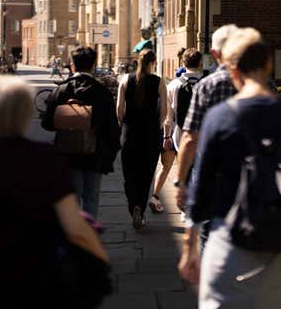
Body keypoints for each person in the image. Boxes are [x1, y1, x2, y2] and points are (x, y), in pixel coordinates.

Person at [179, 28, 281, 309]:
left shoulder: (219, 118)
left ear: (233, 70)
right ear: (269, 64)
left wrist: (189, 247)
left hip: (231, 241)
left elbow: (202, 191)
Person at [0, 77, 109, 309]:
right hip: (32, 283)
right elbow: (75, 226)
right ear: (25, 113)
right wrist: (100, 259)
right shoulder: (46, 159)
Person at [42, 46, 121, 218]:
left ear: (72, 66)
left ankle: (74, 237)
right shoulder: (102, 92)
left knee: (73, 198)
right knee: (91, 197)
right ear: (93, 65)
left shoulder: (60, 90)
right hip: (95, 154)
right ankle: (89, 234)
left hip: (68, 154)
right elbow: (112, 128)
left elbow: (47, 124)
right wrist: (110, 155)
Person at [174, 25, 239, 212]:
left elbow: (190, 137)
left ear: (214, 53)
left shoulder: (208, 85)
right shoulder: (264, 84)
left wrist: (180, 182)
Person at [116, 49, 168, 230]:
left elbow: (119, 110)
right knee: (146, 175)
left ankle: (134, 207)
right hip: (150, 134)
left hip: (129, 133)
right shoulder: (159, 82)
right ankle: (141, 208)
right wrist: (158, 127)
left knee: (129, 174)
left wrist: (124, 125)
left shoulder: (125, 80)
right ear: (153, 63)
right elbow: (164, 112)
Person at [153, 48, 203, 214]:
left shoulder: (173, 85)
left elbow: (169, 116)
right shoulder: (207, 83)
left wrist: (166, 135)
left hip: (177, 134)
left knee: (169, 167)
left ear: (183, 63)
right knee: (196, 170)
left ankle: (157, 197)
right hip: (201, 135)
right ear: (201, 63)